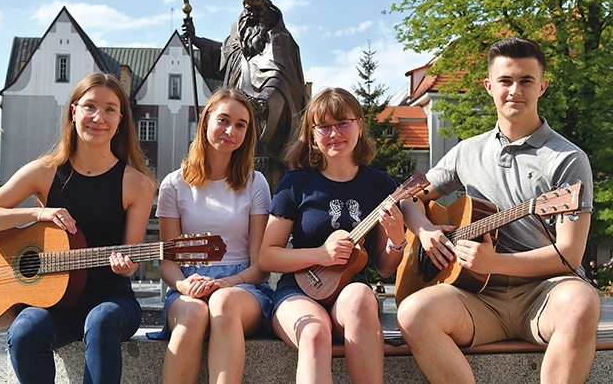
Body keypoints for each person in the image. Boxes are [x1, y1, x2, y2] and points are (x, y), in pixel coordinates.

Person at [396, 37, 601, 383]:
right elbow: (408, 198)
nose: (514, 91)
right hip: (477, 296)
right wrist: (425, 230)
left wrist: (495, 262)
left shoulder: (567, 159)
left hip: (545, 292)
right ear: (489, 86)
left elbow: (570, 254)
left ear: (543, 87)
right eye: (505, 81)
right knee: (413, 311)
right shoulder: (466, 152)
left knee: (583, 302)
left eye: (526, 81)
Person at [0, 72, 156, 383]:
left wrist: (125, 265)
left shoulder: (137, 184)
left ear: (121, 120)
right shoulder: (44, 172)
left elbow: (129, 262)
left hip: (112, 300)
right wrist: (38, 214)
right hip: (53, 301)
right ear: (74, 111)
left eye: (110, 109)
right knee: (25, 330)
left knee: (100, 321)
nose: (99, 117)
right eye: (90, 106)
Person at [259, 87, 406, 383]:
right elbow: (267, 255)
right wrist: (320, 255)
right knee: (314, 333)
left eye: (342, 123)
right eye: (324, 126)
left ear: (359, 126)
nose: (334, 133)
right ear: (312, 134)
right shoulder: (296, 183)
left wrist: (397, 240)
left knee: (362, 298)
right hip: (298, 291)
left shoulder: (380, 185)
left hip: (351, 292)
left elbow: (384, 267)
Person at [147, 88, 273, 383]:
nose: (231, 131)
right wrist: (183, 284)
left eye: (241, 125)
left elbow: (261, 266)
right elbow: (168, 262)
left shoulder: (256, 184)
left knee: (223, 302)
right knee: (192, 315)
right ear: (205, 122)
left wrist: (225, 283)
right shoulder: (173, 185)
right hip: (188, 285)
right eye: (224, 120)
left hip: (242, 287)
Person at [184, 0, 307, 188]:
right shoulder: (239, 28)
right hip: (236, 117)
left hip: (263, 127)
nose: (251, 4)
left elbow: (283, 82)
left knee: (263, 180)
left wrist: (261, 104)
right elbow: (225, 55)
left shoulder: (280, 39)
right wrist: (196, 40)